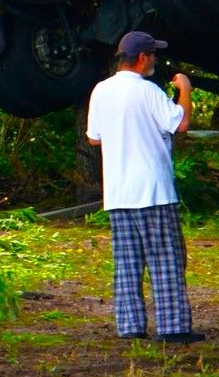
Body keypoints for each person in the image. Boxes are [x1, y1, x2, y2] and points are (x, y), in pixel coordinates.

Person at [85, 30, 205, 344]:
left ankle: (130, 327)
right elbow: (179, 123)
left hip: (118, 192)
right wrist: (185, 91)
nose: (155, 60)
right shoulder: (147, 91)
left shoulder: (101, 90)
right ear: (142, 59)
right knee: (166, 258)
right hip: (153, 189)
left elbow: (93, 137)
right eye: (153, 55)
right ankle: (173, 327)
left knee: (127, 263)